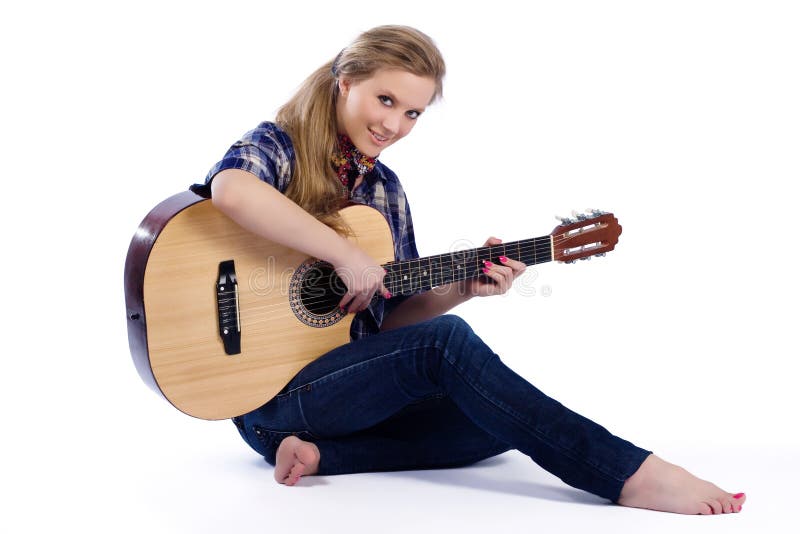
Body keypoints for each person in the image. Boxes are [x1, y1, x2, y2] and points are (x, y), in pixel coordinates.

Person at [200, 25, 745, 515]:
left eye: (412, 112)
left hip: (332, 397)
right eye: (385, 100)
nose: (394, 124)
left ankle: (322, 456)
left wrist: (461, 289)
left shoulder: (383, 192)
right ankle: (628, 474)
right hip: (262, 401)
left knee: (491, 424)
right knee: (454, 353)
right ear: (345, 80)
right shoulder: (281, 146)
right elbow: (231, 188)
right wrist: (345, 255)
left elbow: (385, 328)